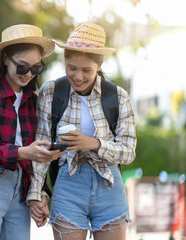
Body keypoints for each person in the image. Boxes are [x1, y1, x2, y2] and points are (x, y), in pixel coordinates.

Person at [27, 22, 137, 240]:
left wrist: (94, 143)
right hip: (69, 184)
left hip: (109, 184)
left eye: (86, 70)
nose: (78, 76)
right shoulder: (51, 92)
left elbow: (129, 151)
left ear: (99, 64)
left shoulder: (118, 96)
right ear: (64, 62)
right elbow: (40, 147)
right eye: (71, 68)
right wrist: (36, 193)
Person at [0, 24, 63, 240]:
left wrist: (41, 193)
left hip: (21, 189)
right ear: (6, 58)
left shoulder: (33, 101)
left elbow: (36, 157)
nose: (28, 74)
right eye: (22, 67)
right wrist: (26, 152)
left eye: (36, 68)